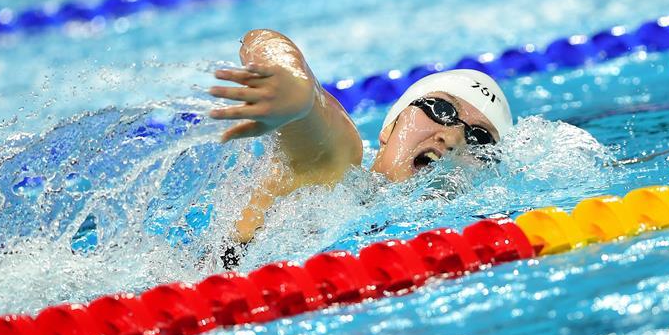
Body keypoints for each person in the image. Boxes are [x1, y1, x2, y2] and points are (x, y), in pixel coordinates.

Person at [208, 29, 512, 259]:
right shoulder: (335, 174)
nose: (454, 137)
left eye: (479, 139)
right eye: (441, 109)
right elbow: (263, 40)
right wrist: (293, 85)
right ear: (389, 128)